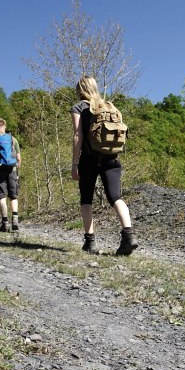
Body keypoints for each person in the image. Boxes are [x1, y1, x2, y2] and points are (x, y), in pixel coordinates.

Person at [71, 75, 138, 255]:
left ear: (80, 90)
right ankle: (129, 236)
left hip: (89, 159)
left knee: (86, 199)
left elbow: (78, 136)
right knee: (115, 197)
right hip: (111, 157)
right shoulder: (109, 107)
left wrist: (75, 163)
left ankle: (90, 242)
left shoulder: (79, 107)